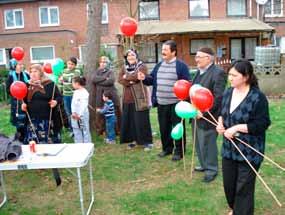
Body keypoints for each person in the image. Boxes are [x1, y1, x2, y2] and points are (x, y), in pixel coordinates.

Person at [216, 59, 271, 215]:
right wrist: (220, 124)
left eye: (234, 75)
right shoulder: (228, 92)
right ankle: (236, 209)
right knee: (230, 187)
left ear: (246, 77)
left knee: (243, 190)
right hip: (229, 150)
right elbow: (222, 113)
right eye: (229, 75)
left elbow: (262, 124)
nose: (230, 78)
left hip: (250, 151)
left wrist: (236, 128)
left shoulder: (257, 97)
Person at [138, 40, 191, 160]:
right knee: (164, 128)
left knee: (177, 128)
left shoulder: (181, 66)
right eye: (162, 50)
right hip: (162, 103)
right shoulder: (159, 65)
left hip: (176, 104)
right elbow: (151, 79)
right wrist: (144, 78)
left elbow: (187, 84)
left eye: (166, 50)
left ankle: (179, 151)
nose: (163, 52)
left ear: (173, 51)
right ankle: (167, 149)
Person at [192, 47, 227, 182]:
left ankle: (211, 170)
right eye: (196, 57)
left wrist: (205, 112)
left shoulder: (218, 73)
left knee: (208, 143)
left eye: (199, 57)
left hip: (208, 116)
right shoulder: (198, 72)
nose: (196, 59)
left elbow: (218, 97)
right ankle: (203, 164)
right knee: (198, 142)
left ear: (208, 58)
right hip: (195, 113)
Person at [118, 49, 153, 151]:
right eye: (128, 56)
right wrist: (130, 81)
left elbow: (137, 77)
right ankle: (133, 140)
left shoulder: (142, 66)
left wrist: (127, 77)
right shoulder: (124, 67)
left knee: (142, 120)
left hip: (140, 97)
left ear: (136, 56)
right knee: (131, 121)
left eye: (132, 55)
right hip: (127, 98)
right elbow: (120, 79)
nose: (130, 57)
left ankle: (147, 142)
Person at [21, 64, 63, 144]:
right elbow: (23, 100)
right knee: (33, 144)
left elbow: (59, 97)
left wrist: (55, 102)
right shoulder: (27, 85)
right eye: (31, 72)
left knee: (49, 144)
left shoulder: (50, 84)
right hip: (32, 120)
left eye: (35, 71)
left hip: (48, 120)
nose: (33, 74)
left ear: (41, 72)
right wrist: (23, 105)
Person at [91, 56, 121, 135]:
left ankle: (117, 130)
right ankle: (102, 130)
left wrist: (99, 81)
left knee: (113, 112)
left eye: (105, 62)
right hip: (99, 95)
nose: (103, 63)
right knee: (101, 112)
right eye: (102, 62)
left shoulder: (110, 71)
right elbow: (93, 79)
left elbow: (111, 81)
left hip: (111, 94)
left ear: (107, 63)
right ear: (99, 63)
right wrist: (105, 78)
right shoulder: (96, 71)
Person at [6, 59, 30, 142]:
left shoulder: (26, 74)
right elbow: (8, 90)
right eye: (19, 65)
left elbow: (29, 85)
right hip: (16, 102)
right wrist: (17, 94)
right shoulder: (11, 76)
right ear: (14, 66)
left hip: (27, 100)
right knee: (19, 121)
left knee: (27, 120)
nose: (21, 66)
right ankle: (20, 138)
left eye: (22, 64)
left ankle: (28, 136)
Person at [58, 57, 81, 133]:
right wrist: (60, 90)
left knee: (76, 112)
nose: (70, 65)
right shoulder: (63, 71)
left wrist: (63, 78)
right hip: (65, 95)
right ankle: (72, 130)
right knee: (68, 112)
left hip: (74, 95)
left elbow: (74, 80)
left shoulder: (77, 71)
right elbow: (60, 82)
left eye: (72, 64)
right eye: (68, 64)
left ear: (75, 65)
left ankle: (78, 128)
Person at [71, 76, 92, 143]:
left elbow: (84, 105)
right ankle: (78, 144)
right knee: (76, 129)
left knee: (85, 129)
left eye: (73, 83)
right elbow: (73, 103)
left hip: (83, 114)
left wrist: (79, 115)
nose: (72, 84)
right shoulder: (75, 92)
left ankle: (87, 145)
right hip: (75, 114)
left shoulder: (85, 93)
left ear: (77, 83)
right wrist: (73, 112)